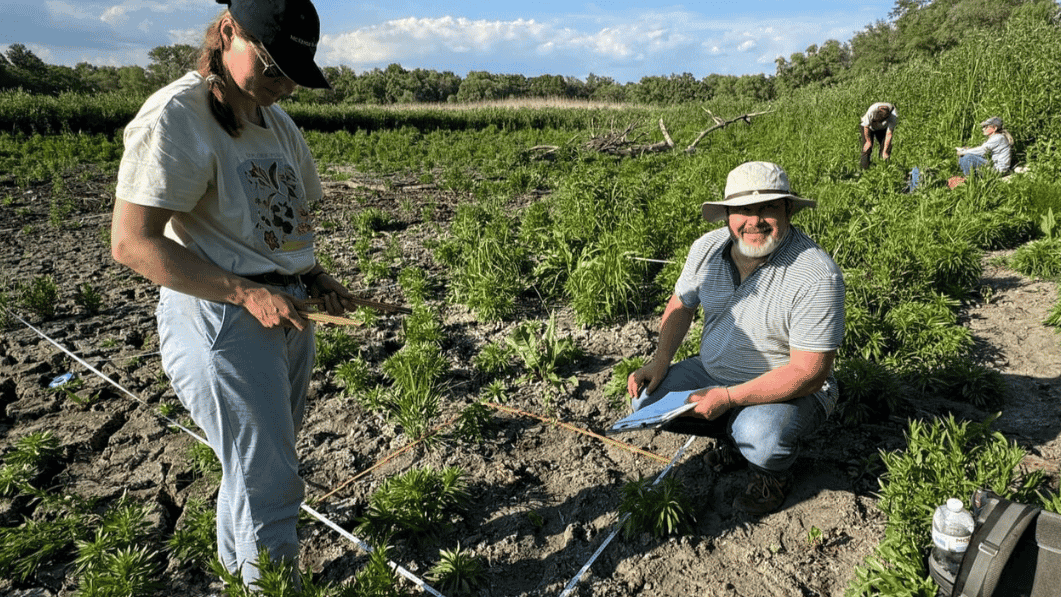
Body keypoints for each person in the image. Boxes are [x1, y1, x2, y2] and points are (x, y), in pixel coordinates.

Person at [110, 0, 354, 586]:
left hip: (287, 312)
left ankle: (239, 571)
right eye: (274, 68)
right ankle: (272, 585)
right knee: (267, 480)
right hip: (221, 320)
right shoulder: (178, 116)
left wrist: (314, 276)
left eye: (294, 73)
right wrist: (243, 293)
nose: (284, 85)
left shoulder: (276, 121)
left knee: (256, 467)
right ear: (227, 33)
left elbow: (284, 223)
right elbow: (132, 243)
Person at [626, 161, 845, 517]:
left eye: (768, 208)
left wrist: (729, 398)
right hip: (714, 370)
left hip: (793, 387)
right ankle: (734, 438)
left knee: (760, 434)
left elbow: (810, 373)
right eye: (742, 210)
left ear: (788, 210)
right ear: (727, 214)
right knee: (646, 403)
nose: (754, 221)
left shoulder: (816, 274)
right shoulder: (707, 249)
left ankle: (770, 474)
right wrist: (660, 361)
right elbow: (681, 304)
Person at [860, 102, 898, 170]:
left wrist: (885, 151)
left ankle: (883, 169)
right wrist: (868, 141)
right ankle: (864, 170)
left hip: (882, 129)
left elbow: (889, 134)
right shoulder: (872, 110)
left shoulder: (893, 115)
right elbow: (866, 126)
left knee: (886, 148)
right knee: (867, 147)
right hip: (869, 127)